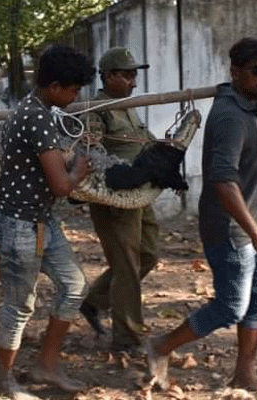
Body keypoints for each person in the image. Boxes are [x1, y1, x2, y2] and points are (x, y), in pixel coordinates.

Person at [146, 37, 257, 392]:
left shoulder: (249, 105)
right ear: (235, 72)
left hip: (250, 225)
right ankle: (158, 347)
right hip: (230, 229)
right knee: (231, 306)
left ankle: (244, 374)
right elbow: (223, 181)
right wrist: (256, 235)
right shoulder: (230, 114)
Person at [0, 44, 95, 399]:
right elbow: (61, 185)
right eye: (74, 89)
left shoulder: (35, 110)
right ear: (55, 86)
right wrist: (78, 170)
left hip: (39, 220)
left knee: (74, 284)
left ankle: (46, 366)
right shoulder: (36, 117)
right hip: (19, 224)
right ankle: (4, 380)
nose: (76, 96)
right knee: (19, 305)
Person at [78, 47, 160, 355]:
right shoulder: (94, 110)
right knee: (127, 266)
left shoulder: (128, 104)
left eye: (134, 75)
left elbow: (143, 141)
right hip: (114, 198)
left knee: (149, 254)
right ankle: (127, 338)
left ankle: (94, 301)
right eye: (127, 75)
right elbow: (93, 156)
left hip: (140, 194)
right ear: (109, 76)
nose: (134, 82)